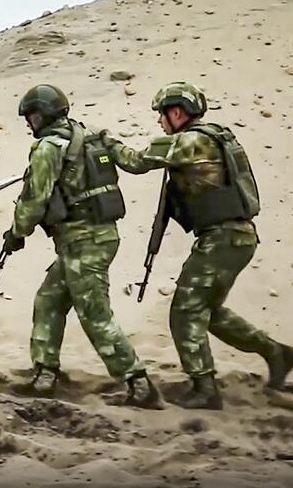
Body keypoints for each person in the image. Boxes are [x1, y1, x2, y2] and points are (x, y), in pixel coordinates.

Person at [101, 81, 293, 409]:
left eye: (162, 114)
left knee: (185, 311)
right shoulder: (213, 136)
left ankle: (205, 389)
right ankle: (275, 353)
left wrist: (107, 140)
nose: (159, 121)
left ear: (177, 113)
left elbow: (136, 162)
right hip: (234, 237)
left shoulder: (190, 141)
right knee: (209, 311)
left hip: (223, 238)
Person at [2, 84, 161, 408]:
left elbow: (34, 200)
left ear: (42, 115)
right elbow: (133, 162)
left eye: (31, 117)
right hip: (97, 237)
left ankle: (139, 383)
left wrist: (17, 233)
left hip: (82, 241)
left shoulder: (48, 148)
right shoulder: (89, 135)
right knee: (49, 301)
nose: (29, 123)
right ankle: (45, 374)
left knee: (95, 315)